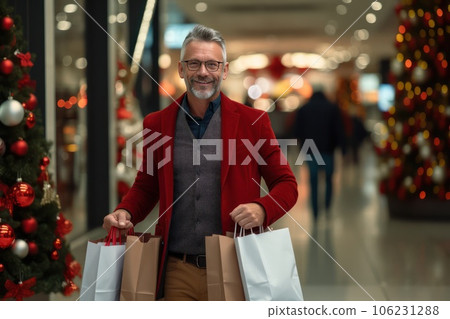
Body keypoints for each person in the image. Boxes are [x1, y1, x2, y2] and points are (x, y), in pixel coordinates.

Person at [103, 25, 298, 301]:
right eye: (194, 63)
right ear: (182, 69)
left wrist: (263, 208)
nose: (203, 72)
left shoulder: (253, 122)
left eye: (212, 64)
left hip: (236, 264)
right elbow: (147, 187)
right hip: (175, 268)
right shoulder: (157, 124)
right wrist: (125, 212)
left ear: (225, 70)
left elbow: (286, 184)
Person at [293, 86, 346, 221]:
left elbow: (297, 130)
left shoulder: (304, 109)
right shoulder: (332, 108)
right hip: (328, 150)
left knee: (313, 180)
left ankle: (315, 211)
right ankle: (327, 206)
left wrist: (301, 147)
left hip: (310, 150)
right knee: (329, 179)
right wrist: (342, 147)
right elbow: (338, 129)